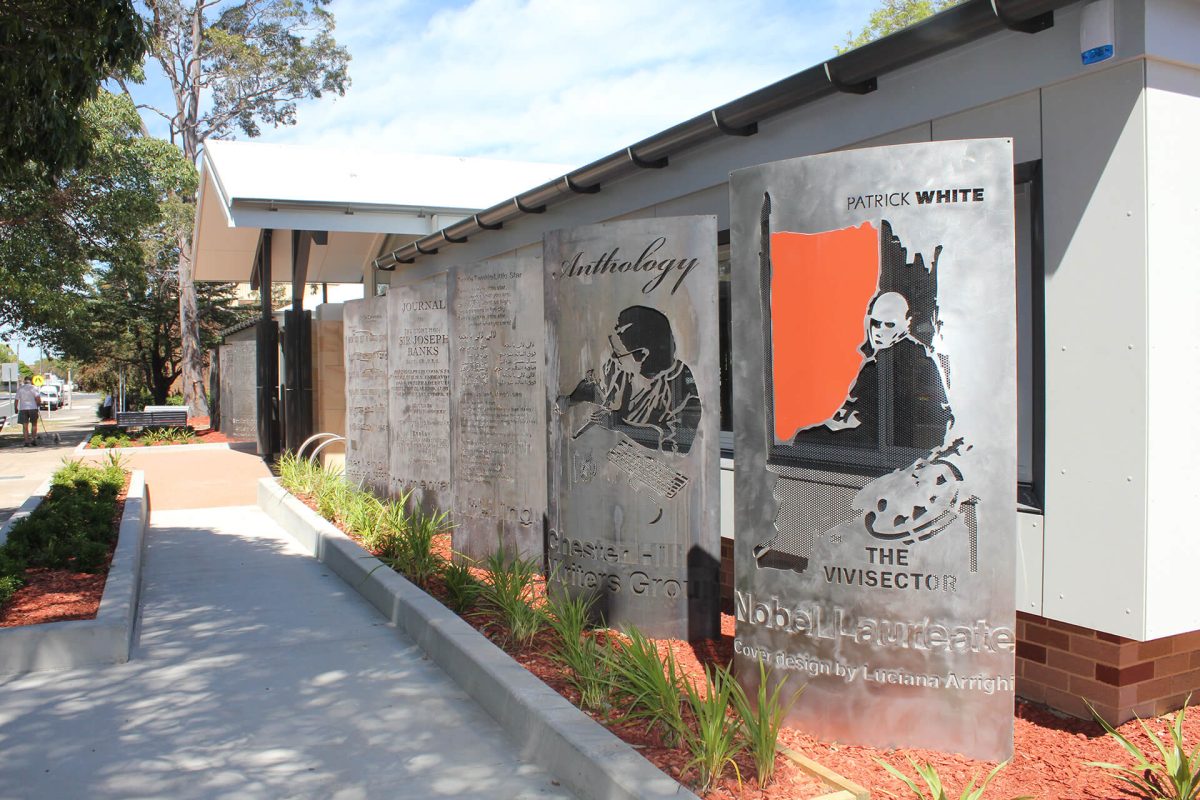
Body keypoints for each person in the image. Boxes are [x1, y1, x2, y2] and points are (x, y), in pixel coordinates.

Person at [560, 305, 702, 454]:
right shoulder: (625, 373)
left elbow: (680, 443)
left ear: (643, 355)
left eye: (618, 354)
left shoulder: (682, 384)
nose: (614, 359)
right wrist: (569, 400)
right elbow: (596, 392)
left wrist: (621, 425)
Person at [15, 377, 40, 447]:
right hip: (33, 408)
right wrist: (38, 406)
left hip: (23, 408)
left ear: (24, 381)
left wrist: (15, 408)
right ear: (31, 381)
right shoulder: (34, 388)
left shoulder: (20, 389)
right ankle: (33, 439)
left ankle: (26, 441)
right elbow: (38, 398)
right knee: (34, 424)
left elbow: (16, 400)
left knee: (25, 426)